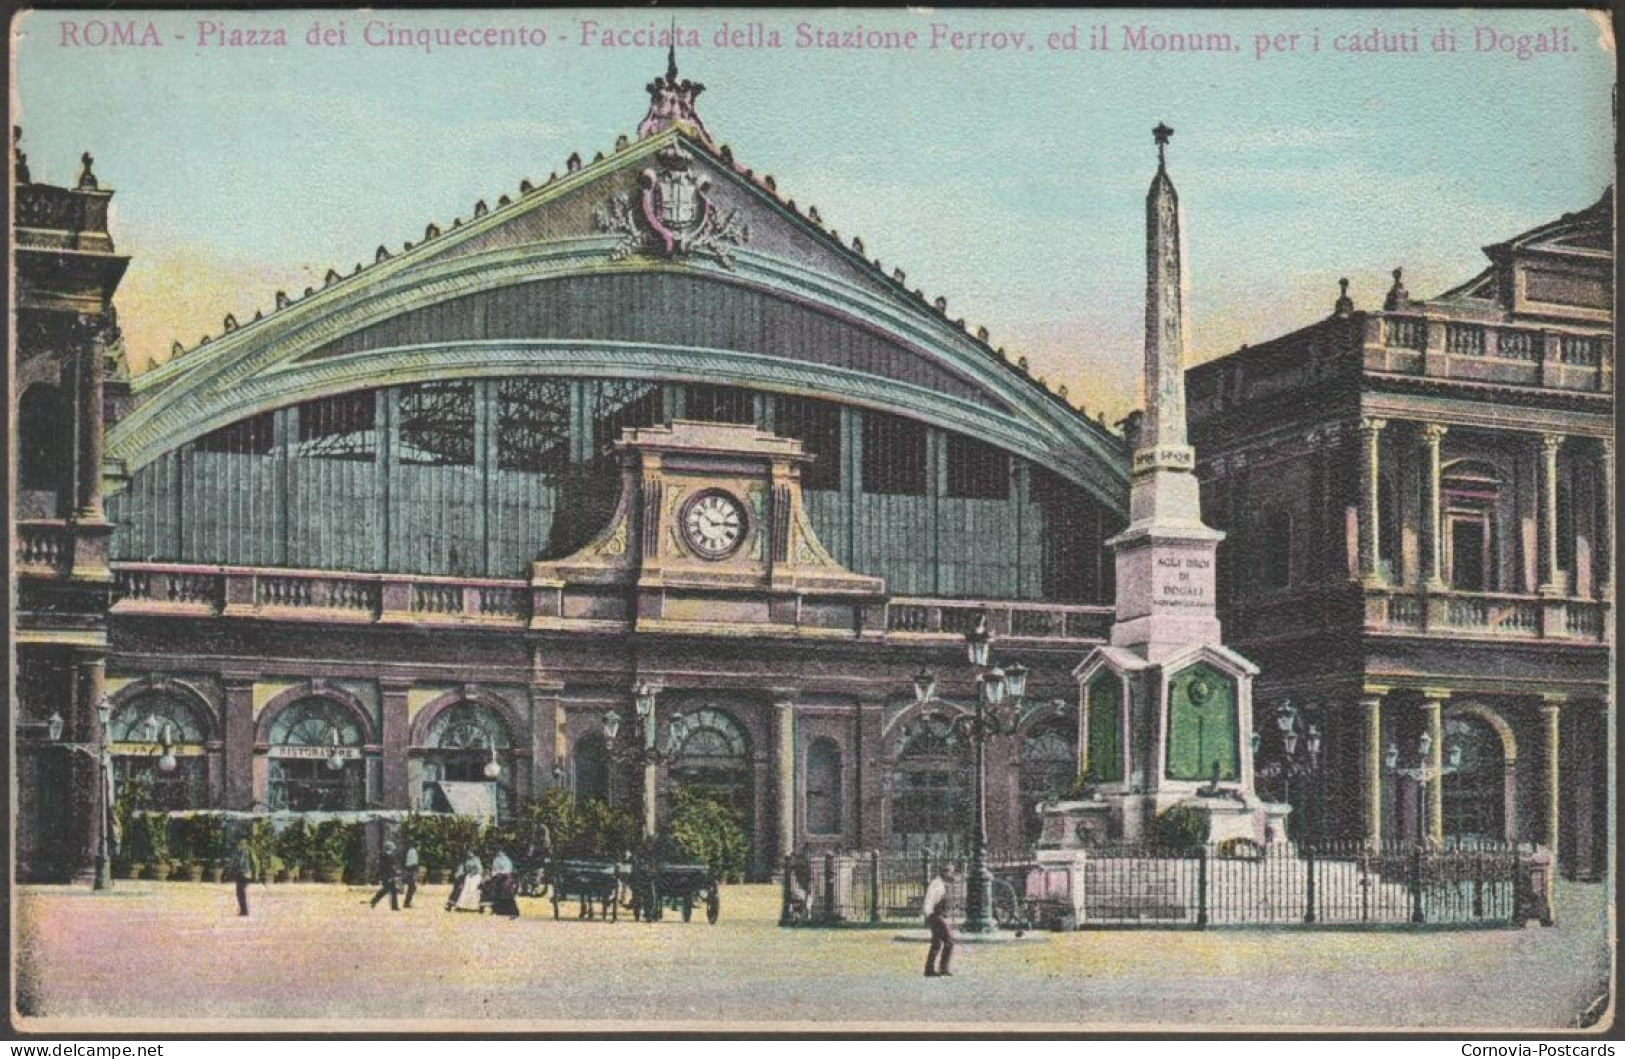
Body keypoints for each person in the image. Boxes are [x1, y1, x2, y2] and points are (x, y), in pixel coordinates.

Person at [922, 863, 958, 977]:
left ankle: (930, 969)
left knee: (936, 943)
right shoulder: (936, 885)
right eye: (950, 872)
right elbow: (929, 902)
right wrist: (929, 916)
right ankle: (943, 968)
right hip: (935, 916)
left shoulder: (942, 884)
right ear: (944, 872)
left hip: (937, 916)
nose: (952, 874)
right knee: (949, 941)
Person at [229, 838, 261, 917]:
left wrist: (256, 874)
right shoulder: (241, 850)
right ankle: (243, 910)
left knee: (241, 891)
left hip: (245, 873)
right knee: (240, 892)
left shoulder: (246, 850)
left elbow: (254, 862)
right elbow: (234, 863)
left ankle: (244, 910)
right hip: (243, 873)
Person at [487, 849, 520, 919]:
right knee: (495, 893)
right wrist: (495, 874)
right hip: (497, 878)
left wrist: (501, 873)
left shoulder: (506, 860)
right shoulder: (495, 859)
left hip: (505, 878)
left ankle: (512, 912)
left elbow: (507, 869)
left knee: (506, 894)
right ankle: (498, 910)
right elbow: (494, 869)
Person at [370, 841, 401, 911]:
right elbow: (386, 868)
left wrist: (395, 873)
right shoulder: (384, 857)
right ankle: (374, 901)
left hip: (389, 876)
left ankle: (394, 907)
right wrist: (390, 876)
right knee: (385, 891)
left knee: (390, 891)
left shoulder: (389, 856)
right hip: (386, 877)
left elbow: (391, 867)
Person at [401, 842, 420, 909]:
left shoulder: (410, 851)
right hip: (412, 871)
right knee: (412, 887)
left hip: (410, 870)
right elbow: (414, 863)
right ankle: (407, 903)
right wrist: (417, 870)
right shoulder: (413, 852)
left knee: (411, 887)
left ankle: (407, 902)